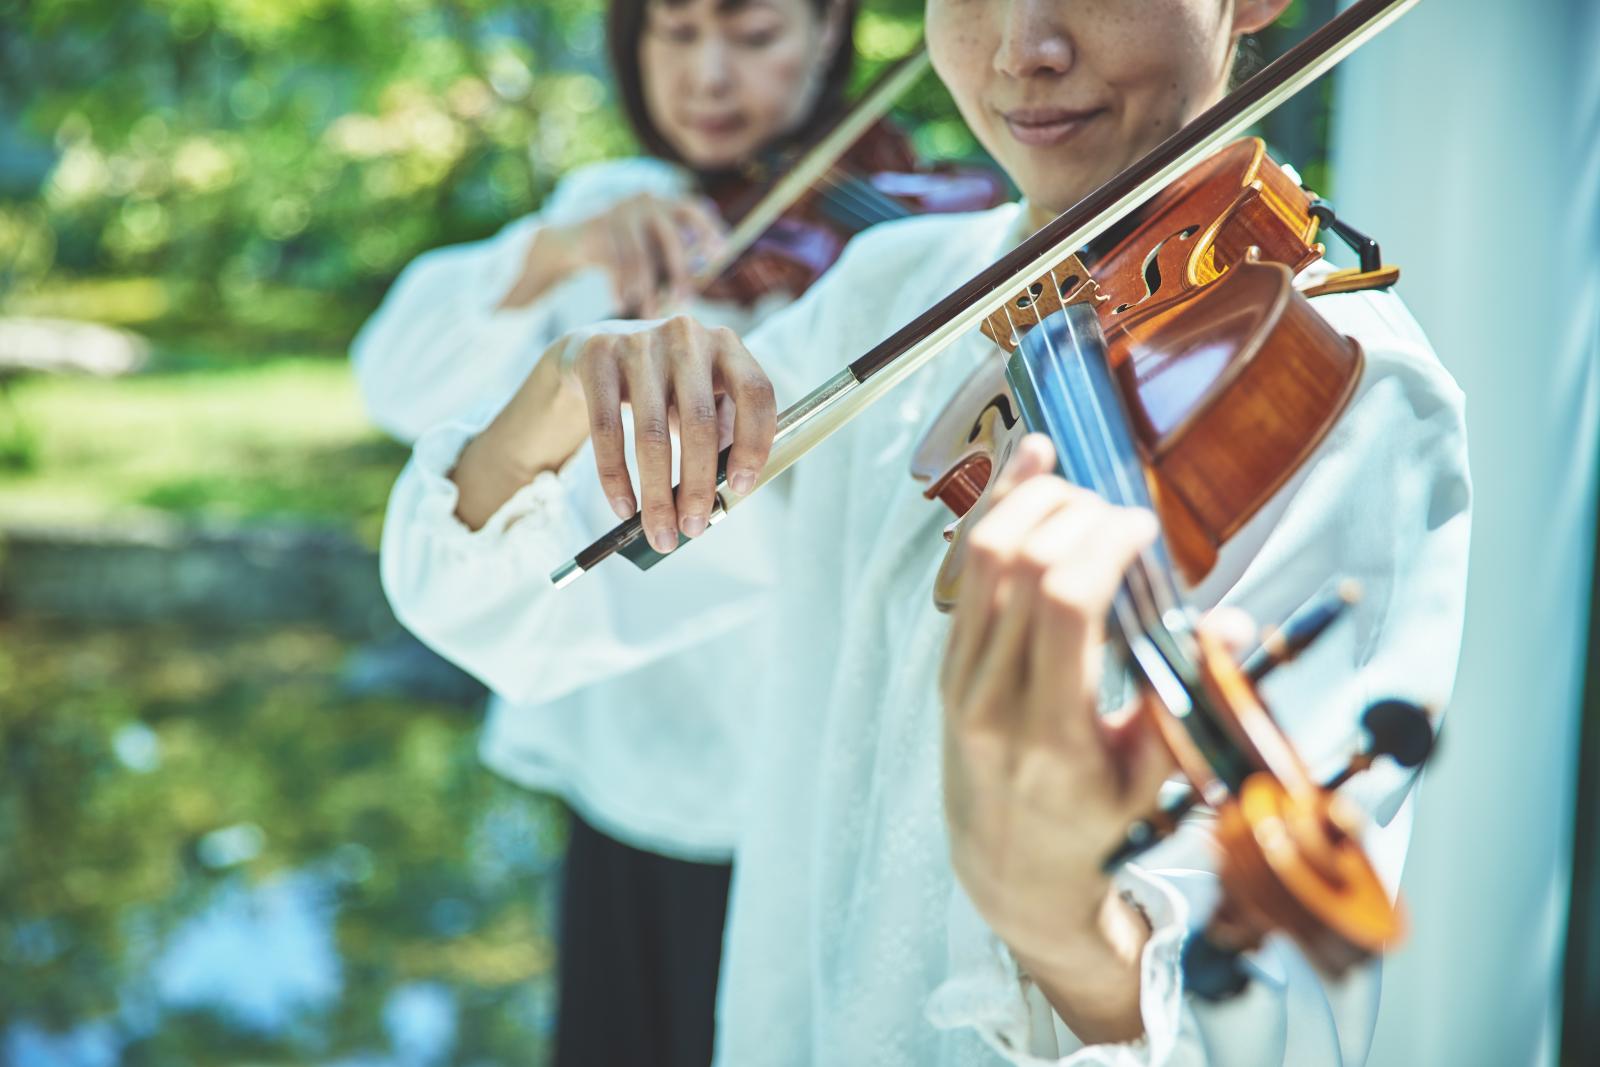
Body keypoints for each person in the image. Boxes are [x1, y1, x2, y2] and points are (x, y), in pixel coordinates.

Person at [381, 0, 1472, 1062]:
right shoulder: (894, 294)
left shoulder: (1346, 391)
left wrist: (1058, 919)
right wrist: (561, 397)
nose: (1022, 47)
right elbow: (515, 609)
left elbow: (1255, 1027)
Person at [353, 1, 874, 1063]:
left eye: (755, 35)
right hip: (621, 761)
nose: (708, 78)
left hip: (794, 789)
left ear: (829, 34)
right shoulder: (609, 208)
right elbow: (392, 377)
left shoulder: (881, 251)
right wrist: (556, 252)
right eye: (674, 36)